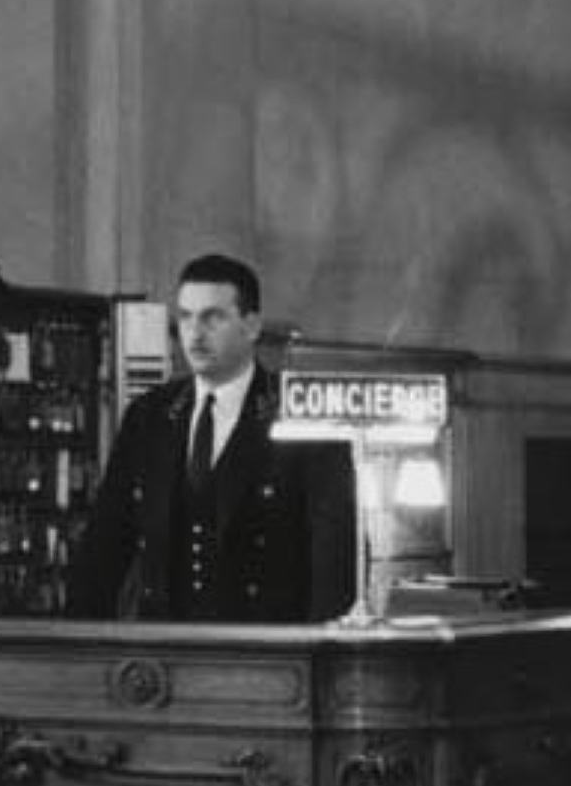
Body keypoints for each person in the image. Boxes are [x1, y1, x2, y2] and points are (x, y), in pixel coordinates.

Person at [63, 252, 356, 623]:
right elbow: (105, 543)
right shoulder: (149, 417)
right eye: (184, 317)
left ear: (251, 326)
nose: (194, 334)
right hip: (163, 654)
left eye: (212, 317)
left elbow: (335, 551)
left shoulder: (301, 413)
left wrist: (322, 656)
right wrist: (80, 650)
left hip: (267, 653)